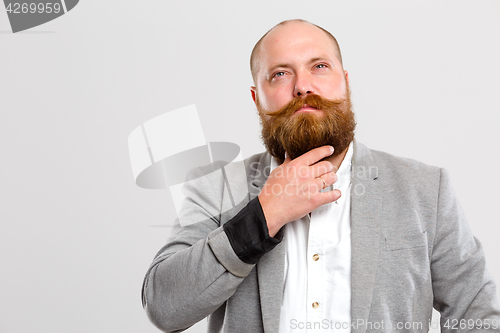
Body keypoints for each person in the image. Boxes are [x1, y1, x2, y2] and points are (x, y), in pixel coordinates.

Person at [142, 19, 500, 332]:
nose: (303, 86)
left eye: (319, 67)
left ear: (345, 82)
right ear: (256, 98)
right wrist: (264, 214)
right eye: (280, 73)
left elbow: (478, 316)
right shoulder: (216, 189)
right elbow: (163, 307)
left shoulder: (425, 189)